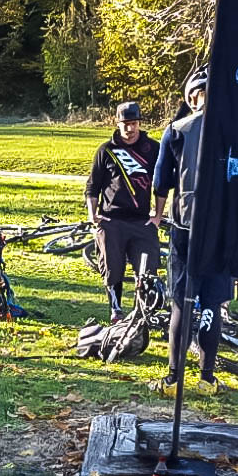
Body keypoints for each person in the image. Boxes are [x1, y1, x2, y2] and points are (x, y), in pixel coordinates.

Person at [150, 67, 231, 396]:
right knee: (212, 303)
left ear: (191, 96)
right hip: (221, 229)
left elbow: (160, 182)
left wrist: (157, 216)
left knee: (182, 303)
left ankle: (172, 378)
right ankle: (207, 378)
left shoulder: (176, 130)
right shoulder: (234, 130)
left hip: (184, 225)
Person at [84, 101, 162, 322]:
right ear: (117, 124)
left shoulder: (152, 148)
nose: (130, 128)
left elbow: (163, 183)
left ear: (139, 123)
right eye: (125, 124)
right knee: (112, 268)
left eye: (134, 123)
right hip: (112, 220)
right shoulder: (106, 150)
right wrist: (93, 214)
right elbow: (92, 186)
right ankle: (116, 310)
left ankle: (143, 312)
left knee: (147, 269)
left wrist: (157, 215)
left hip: (142, 222)